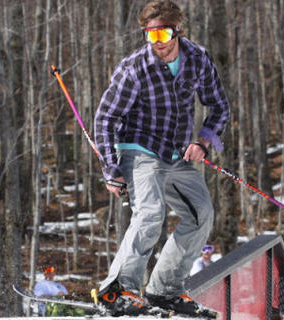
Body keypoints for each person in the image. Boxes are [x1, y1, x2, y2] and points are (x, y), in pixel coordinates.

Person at [93, 0, 230, 316]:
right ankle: (117, 291)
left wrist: (203, 142)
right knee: (151, 212)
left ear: (177, 31)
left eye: (163, 34)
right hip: (139, 150)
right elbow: (105, 118)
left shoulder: (197, 59)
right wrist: (111, 169)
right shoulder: (134, 69)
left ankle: (163, 291)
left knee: (200, 214)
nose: (158, 43)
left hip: (177, 154)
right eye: (150, 36)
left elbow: (219, 107)